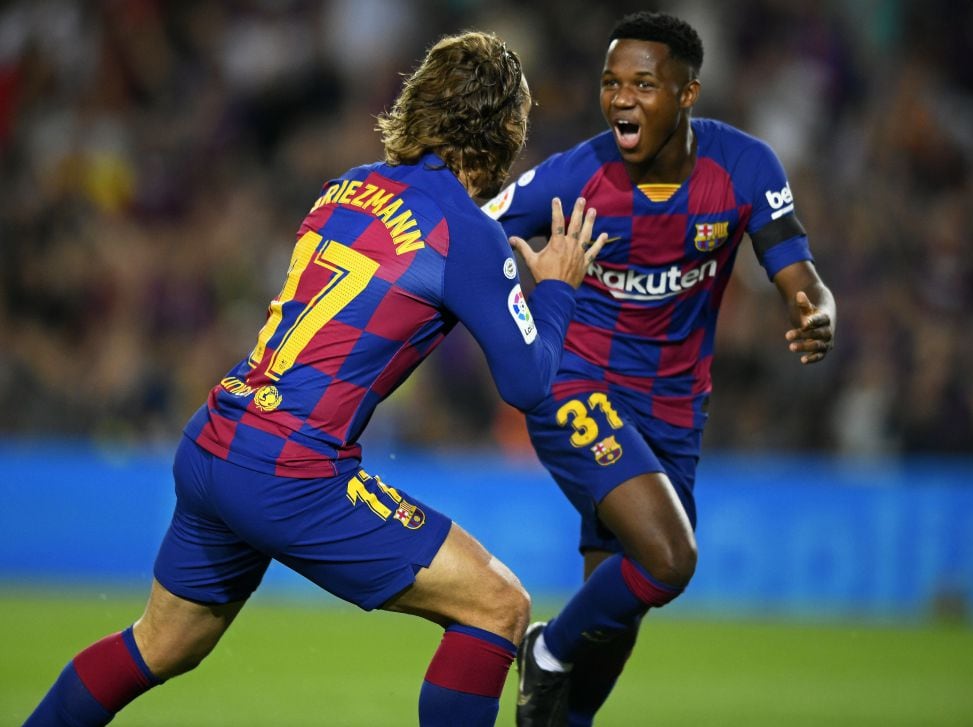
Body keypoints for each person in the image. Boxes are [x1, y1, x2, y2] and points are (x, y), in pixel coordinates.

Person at [26, 31, 606, 727]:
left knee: (160, 643)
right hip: (291, 469)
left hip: (217, 436)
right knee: (498, 604)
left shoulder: (346, 187)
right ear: (505, 131)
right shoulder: (465, 232)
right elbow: (527, 383)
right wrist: (556, 286)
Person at [483, 11, 837, 726]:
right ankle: (544, 649)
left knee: (617, 611)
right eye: (612, 82)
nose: (620, 98)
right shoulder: (575, 177)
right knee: (671, 558)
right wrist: (512, 312)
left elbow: (800, 274)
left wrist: (816, 308)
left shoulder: (745, 167)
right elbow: (476, 229)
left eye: (642, 83)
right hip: (577, 383)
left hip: (675, 410)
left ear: (687, 94)